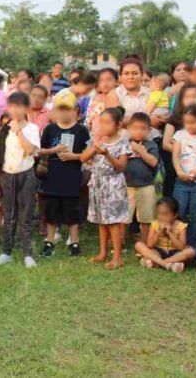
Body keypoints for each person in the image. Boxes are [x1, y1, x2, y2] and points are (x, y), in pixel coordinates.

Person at [0, 92, 40, 268]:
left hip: (26, 175)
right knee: (8, 215)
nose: (15, 110)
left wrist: (18, 131)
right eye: (12, 106)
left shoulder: (32, 129)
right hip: (6, 176)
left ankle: (27, 254)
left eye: (19, 106)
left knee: (25, 216)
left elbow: (29, 150)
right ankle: (6, 252)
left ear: (26, 108)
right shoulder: (3, 130)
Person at [38, 91, 90, 257]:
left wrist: (73, 156)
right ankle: (50, 241)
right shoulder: (50, 129)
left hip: (72, 177)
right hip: (52, 178)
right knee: (51, 212)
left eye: (68, 109)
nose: (64, 112)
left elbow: (89, 153)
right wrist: (54, 150)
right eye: (61, 109)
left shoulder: (81, 130)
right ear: (54, 111)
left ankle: (74, 242)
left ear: (76, 110)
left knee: (72, 212)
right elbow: (41, 150)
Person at [81, 108, 131, 269]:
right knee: (101, 220)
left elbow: (121, 167)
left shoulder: (122, 142)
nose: (103, 126)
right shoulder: (98, 140)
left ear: (118, 125)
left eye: (107, 122)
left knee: (113, 221)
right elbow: (82, 158)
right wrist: (95, 148)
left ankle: (117, 257)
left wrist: (107, 154)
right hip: (97, 183)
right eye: (101, 122)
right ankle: (103, 252)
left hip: (113, 185)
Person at [171, 104, 196, 246]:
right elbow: (175, 156)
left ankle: (191, 246)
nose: (189, 126)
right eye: (186, 123)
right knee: (179, 212)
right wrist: (179, 172)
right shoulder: (180, 135)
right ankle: (176, 244)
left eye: (192, 122)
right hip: (181, 181)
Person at [161, 84, 196, 197]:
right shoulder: (174, 118)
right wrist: (184, 151)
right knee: (176, 198)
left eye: (195, 96)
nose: (191, 100)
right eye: (187, 97)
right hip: (178, 165)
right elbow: (166, 144)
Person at [133, 198, 195, 273]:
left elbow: (181, 247)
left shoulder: (181, 226)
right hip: (158, 252)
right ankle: (168, 265)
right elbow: (150, 245)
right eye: (159, 214)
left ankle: (157, 262)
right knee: (138, 245)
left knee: (191, 251)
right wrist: (159, 232)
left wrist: (170, 233)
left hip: (175, 254)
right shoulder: (154, 224)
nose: (161, 217)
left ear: (175, 215)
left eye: (165, 214)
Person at [124, 113, 159, 243]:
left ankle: (145, 243)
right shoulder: (124, 143)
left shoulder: (151, 145)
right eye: (135, 128)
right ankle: (119, 242)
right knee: (124, 217)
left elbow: (154, 162)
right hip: (126, 185)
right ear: (128, 128)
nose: (139, 131)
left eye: (143, 128)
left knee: (146, 217)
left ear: (149, 130)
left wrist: (140, 150)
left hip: (146, 185)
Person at [84, 68, 120, 140]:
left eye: (109, 80)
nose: (105, 83)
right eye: (101, 80)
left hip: (112, 139)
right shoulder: (94, 99)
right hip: (94, 139)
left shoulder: (118, 97)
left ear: (116, 82)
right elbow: (88, 121)